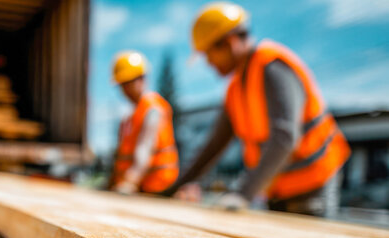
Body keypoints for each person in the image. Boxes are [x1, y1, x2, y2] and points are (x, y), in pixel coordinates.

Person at [160, 2, 350, 217]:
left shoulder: (272, 66)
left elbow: (285, 137)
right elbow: (213, 147)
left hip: (312, 184)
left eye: (209, 54)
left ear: (229, 42)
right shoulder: (235, 88)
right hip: (276, 188)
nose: (209, 63)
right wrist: (170, 191)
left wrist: (243, 195)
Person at [109, 51, 179, 195]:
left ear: (142, 79)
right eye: (122, 84)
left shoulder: (153, 108)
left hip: (158, 188)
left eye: (129, 83)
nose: (125, 90)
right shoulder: (129, 118)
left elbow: (145, 149)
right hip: (139, 189)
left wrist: (130, 182)